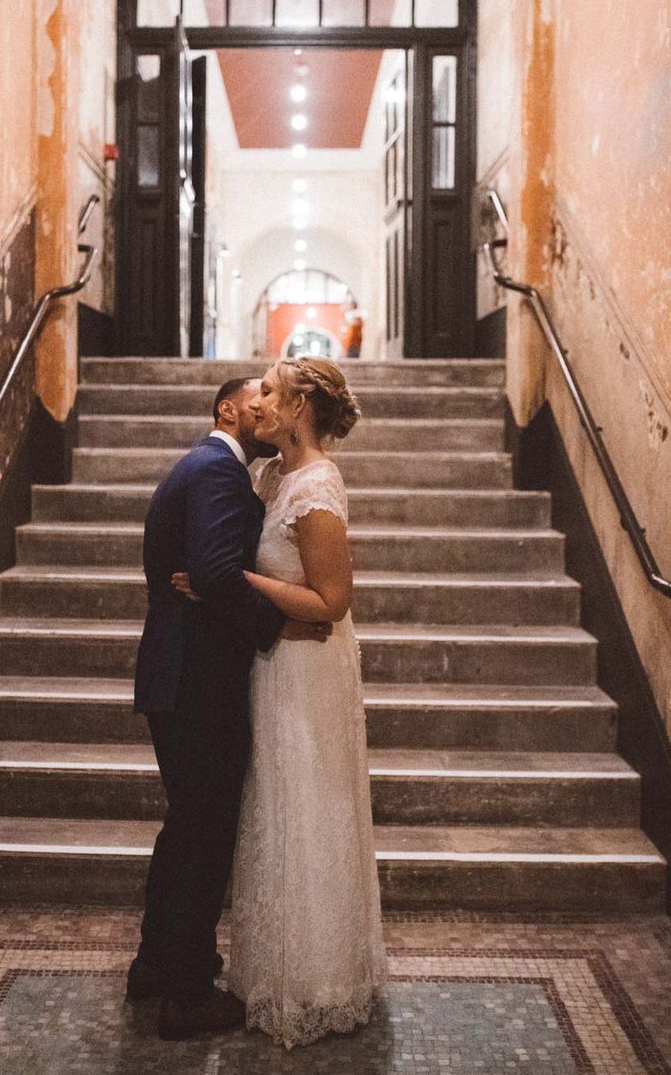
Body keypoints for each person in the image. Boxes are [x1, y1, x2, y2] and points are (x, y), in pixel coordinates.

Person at [174, 357, 387, 1048]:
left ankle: (316, 977)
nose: (256, 401)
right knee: (270, 810)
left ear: (298, 408)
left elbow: (332, 601)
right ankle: (267, 965)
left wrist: (236, 582)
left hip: (306, 664)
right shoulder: (268, 476)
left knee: (307, 807)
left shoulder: (319, 485)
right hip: (268, 663)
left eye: (268, 391)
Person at [129, 377, 332, 1042]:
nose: (263, 406)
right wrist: (276, 628)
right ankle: (187, 994)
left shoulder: (210, 468)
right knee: (204, 833)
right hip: (198, 679)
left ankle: (156, 963)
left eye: (275, 396)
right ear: (227, 410)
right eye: (256, 397)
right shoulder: (217, 470)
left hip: (179, 672)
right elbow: (215, 572)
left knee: (184, 825)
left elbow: (209, 573)